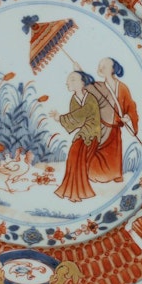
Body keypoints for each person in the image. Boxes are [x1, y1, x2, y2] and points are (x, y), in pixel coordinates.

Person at [84, 58, 139, 183]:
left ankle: (114, 175)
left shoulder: (122, 88)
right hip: (99, 125)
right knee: (95, 150)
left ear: (113, 69)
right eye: (100, 66)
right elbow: (88, 89)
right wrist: (80, 73)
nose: (100, 68)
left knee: (113, 153)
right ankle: (94, 174)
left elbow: (130, 106)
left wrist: (127, 117)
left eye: (104, 66)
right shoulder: (99, 86)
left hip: (114, 126)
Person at [50, 71, 101, 202]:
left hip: (92, 134)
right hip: (83, 134)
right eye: (69, 80)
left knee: (76, 157)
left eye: (72, 79)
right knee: (74, 159)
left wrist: (60, 118)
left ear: (83, 83)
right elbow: (77, 120)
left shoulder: (91, 99)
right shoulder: (74, 99)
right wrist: (63, 119)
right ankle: (73, 192)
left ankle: (76, 192)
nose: (68, 82)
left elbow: (82, 115)